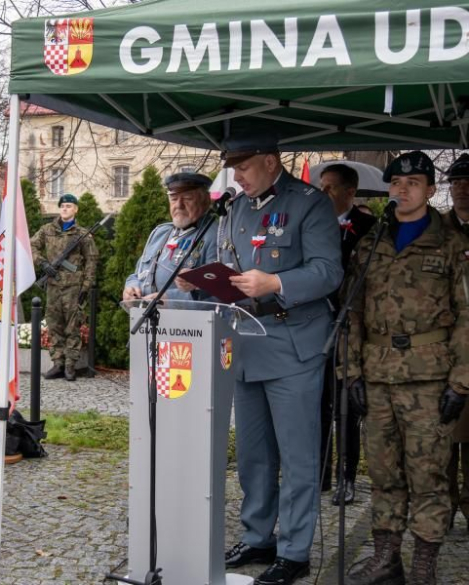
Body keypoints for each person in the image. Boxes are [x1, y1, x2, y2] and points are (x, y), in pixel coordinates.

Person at [217, 134, 343, 585]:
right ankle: (258, 536)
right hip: (247, 344)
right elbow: (224, 265)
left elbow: (328, 271)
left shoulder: (310, 203)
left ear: (271, 162)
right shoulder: (234, 209)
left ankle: (294, 550)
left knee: (297, 456)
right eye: (234, 168)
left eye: (244, 166)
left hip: (293, 342)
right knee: (253, 455)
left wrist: (275, 282)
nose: (237, 176)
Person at [343, 151, 469, 585]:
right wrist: (350, 372)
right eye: (396, 182)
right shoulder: (371, 242)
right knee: (383, 472)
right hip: (377, 376)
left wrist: (462, 381)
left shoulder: (452, 244)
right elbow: (352, 312)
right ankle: (387, 559)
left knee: (429, 475)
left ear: (430, 190)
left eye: (413, 183)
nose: (403, 189)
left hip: (430, 379)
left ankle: (423, 565)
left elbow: (467, 316)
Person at [318, 164, 376, 505]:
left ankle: (346, 476)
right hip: (315, 327)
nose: (323, 194)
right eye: (321, 187)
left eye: (330, 188)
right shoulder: (313, 224)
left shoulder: (369, 228)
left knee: (346, 407)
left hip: (350, 328)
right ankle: (321, 475)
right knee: (318, 404)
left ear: (349, 193)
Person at [31, 193, 98, 382]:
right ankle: (58, 363)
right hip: (53, 284)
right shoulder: (47, 230)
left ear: (76, 209)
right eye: (62, 206)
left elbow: (92, 260)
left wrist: (86, 285)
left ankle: (70, 365)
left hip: (73, 287)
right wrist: (43, 263)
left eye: (69, 206)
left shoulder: (82, 234)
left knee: (72, 325)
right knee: (54, 324)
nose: (65, 209)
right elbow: (32, 246)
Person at [123, 172, 216, 304]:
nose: (179, 205)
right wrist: (131, 287)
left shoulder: (215, 235)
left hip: (186, 317)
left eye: (187, 198)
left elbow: (217, 290)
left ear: (205, 201)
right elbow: (138, 274)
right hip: (145, 314)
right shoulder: (160, 233)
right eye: (173, 198)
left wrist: (170, 299)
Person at [442, 153, 469, 531]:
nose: (462, 189)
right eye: (457, 183)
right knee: (444, 436)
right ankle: (443, 507)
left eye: (468, 183)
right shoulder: (437, 228)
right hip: (446, 348)